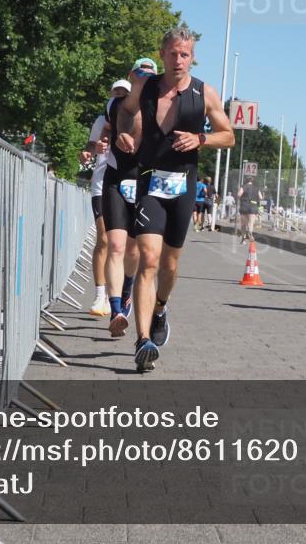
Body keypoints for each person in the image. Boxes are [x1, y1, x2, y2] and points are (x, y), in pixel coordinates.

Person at [116, 27, 235, 372]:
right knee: (149, 260)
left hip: (184, 187)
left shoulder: (204, 92)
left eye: (185, 55)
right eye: (173, 53)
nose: (179, 60)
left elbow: (228, 136)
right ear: (163, 54)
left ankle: (160, 308)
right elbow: (126, 110)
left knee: (169, 265)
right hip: (149, 181)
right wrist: (123, 132)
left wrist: (201, 139)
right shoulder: (145, 86)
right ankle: (143, 341)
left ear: (192, 58)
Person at [103, 60, 158, 337]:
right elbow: (103, 129)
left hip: (143, 183)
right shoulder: (114, 105)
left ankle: (127, 289)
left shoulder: (160, 110)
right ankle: (116, 311)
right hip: (115, 177)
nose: (144, 78)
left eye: (150, 75)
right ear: (130, 76)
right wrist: (104, 141)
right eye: (140, 73)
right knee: (115, 245)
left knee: (134, 252)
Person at [81, 105, 112, 317]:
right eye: (115, 92)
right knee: (104, 239)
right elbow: (91, 145)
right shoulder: (102, 121)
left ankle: (116, 294)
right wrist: (88, 153)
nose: (119, 95)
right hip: (101, 185)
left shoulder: (141, 116)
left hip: (128, 186)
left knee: (123, 245)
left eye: (123, 93)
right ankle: (100, 294)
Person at [238, 177, 260, 243]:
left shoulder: (244, 186)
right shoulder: (256, 188)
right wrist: (256, 199)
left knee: (243, 224)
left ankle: (243, 239)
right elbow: (261, 197)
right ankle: (250, 232)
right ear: (252, 181)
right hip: (253, 207)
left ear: (246, 181)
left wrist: (241, 199)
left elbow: (239, 194)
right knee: (251, 223)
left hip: (244, 206)